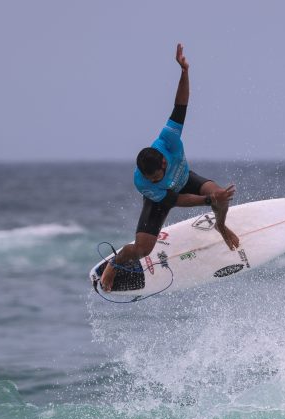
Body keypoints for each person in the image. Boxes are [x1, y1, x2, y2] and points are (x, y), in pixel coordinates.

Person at [99, 43, 240, 292]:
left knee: (221, 194)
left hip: (185, 178)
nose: (152, 181)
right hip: (164, 199)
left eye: (155, 177)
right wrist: (208, 201)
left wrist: (184, 72)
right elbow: (174, 200)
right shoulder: (144, 183)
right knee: (141, 250)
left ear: (164, 162)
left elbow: (180, 105)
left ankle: (221, 225)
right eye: (149, 179)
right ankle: (114, 264)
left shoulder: (169, 139)